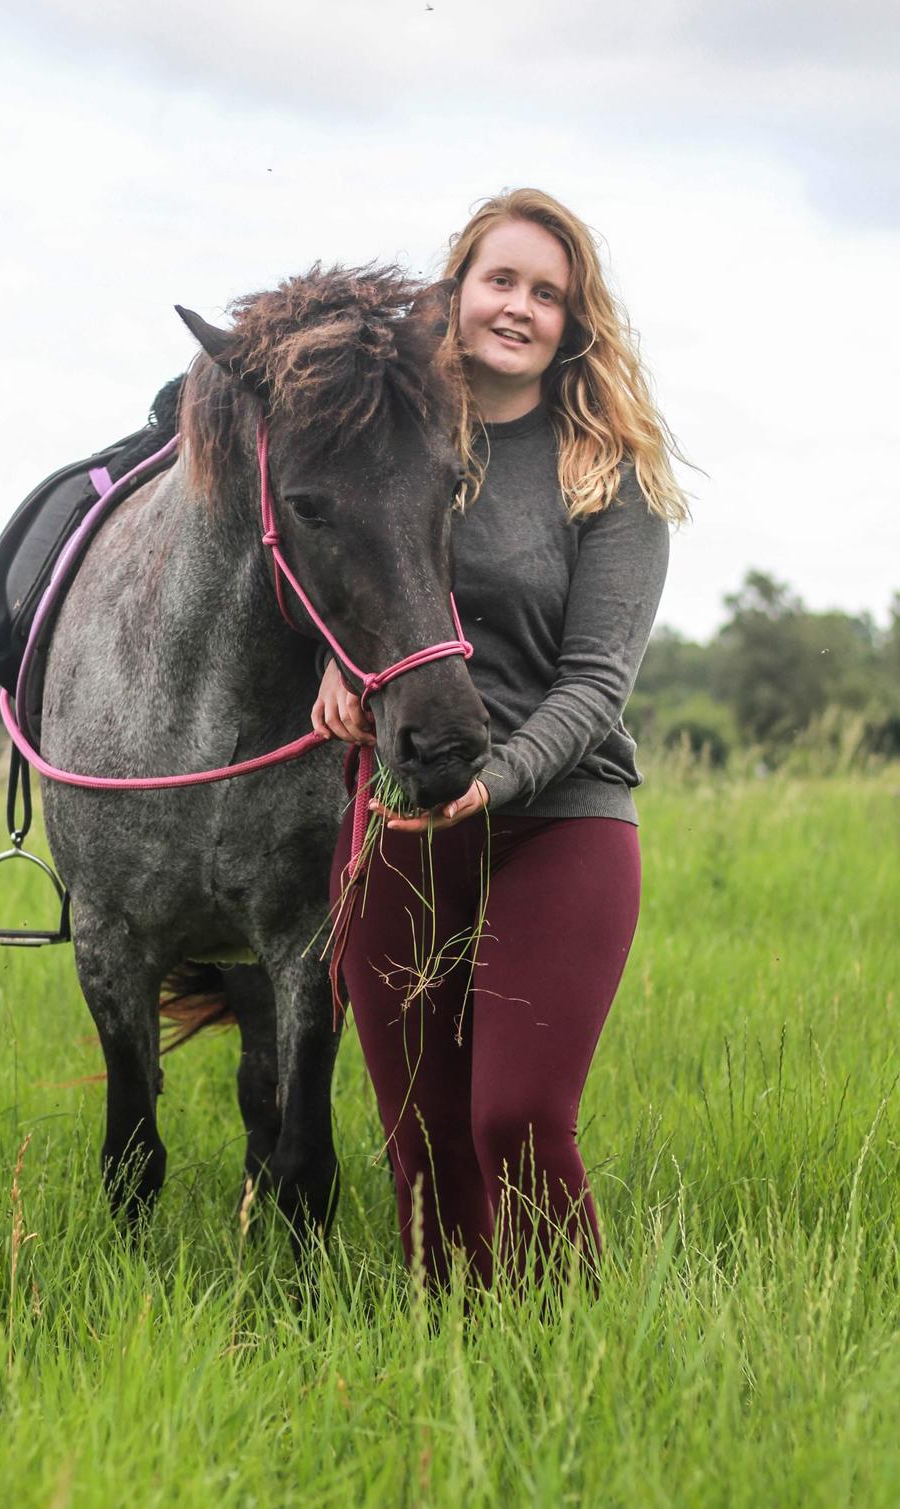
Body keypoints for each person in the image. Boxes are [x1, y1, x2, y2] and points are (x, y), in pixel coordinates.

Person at [311, 188, 691, 1299]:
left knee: (515, 1115)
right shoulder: (389, 449)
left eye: (547, 292)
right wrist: (339, 665)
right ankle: (464, 1369)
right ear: (458, 289)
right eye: (500, 280)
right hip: (396, 817)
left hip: (559, 821)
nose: (518, 307)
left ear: (574, 322)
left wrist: (497, 778)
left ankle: (575, 1359)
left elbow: (594, 687)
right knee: (422, 1145)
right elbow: (329, 581)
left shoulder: (609, 473)